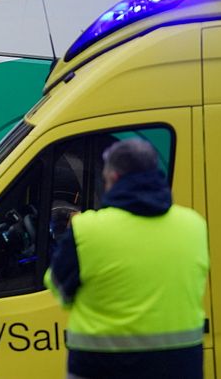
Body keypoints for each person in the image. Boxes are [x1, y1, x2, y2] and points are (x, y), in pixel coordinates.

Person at [45, 138, 209, 379]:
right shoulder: (194, 225)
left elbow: (59, 289)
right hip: (180, 367)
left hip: (103, 368)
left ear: (112, 178)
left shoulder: (87, 230)